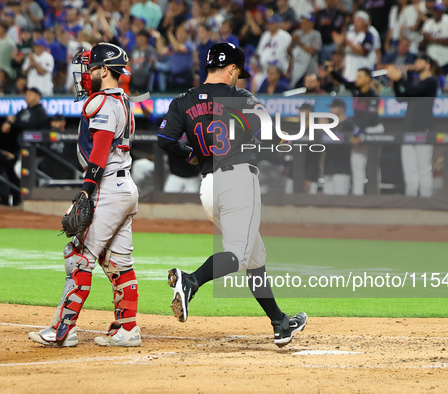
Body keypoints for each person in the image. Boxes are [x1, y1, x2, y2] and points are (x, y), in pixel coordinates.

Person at [157, 43, 307, 347]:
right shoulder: (241, 98)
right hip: (238, 180)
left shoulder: (183, 100)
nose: (239, 77)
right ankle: (191, 281)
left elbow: (165, 138)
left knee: (255, 257)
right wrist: (284, 141)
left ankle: (280, 323)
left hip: (208, 188)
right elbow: (270, 132)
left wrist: (192, 156)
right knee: (238, 255)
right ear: (232, 69)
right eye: (238, 72)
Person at [29, 43, 142, 347]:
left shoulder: (104, 103)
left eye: (91, 68)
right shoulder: (123, 100)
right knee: (118, 262)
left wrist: (85, 192)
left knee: (78, 258)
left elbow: (100, 152)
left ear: (105, 71)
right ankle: (127, 328)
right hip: (125, 187)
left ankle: (62, 330)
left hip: (107, 186)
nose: (86, 74)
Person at [327, 65, 384, 195]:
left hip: (373, 130)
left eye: (360, 76)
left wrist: (359, 135)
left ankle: (375, 195)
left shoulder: (373, 96)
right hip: (359, 130)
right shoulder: (356, 90)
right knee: (357, 163)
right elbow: (344, 82)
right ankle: (358, 196)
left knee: (373, 164)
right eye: (356, 76)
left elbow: (368, 118)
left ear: (368, 79)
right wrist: (332, 71)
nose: (357, 79)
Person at [387, 55, 439, 198]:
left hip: (423, 129)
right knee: (409, 170)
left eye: (420, 61)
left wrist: (400, 79)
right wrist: (396, 82)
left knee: (424, 169)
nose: (416, 63)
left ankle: (425, 201)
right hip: (409, 130)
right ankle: (411, 201)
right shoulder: (415, 83)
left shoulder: (431, 82)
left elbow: (416, 92)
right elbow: (401, 98)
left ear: (428, 65)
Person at [1, 87, 49, 205]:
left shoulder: (40, 112)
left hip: (36, 151)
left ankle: (34, 191)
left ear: (38, 96)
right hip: (22, 150)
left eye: (30, 94)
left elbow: (31, 125)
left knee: (20, 170)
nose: (27, 96)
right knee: (15, 169)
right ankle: (22, 197)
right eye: (26, 93)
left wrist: (14, 122)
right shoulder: (23, 111)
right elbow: (13, 120)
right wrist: (8, 122)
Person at [322, 99, 357, 195]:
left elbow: (358, 138)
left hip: (342, 169)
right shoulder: (329, 125)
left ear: (342, 108)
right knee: (327, 203)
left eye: (334, 107)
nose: (331, 110)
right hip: (328, 168)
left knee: (341, 201)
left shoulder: (349, 124)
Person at [333, 11, 376, 82]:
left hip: (362, 74)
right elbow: (340, 51)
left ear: (365, 23)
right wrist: (341, 43)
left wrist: (347, 42)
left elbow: (363, 51)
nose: (356, 22)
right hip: (347, 73)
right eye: (355, 19)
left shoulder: (369, 35)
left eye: (359, 20)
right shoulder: (350, 34)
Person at [421, 3, 448, 74]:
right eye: (434, 10)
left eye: (438, 10)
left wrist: (432, 39)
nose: (435, 12)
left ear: (442, 11)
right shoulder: (428, 24)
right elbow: (422, 44)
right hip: (433, 60)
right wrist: (425, 39)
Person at [287, 13, 322, 88]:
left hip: (310, 68)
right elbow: (289, 51)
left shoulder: (316, 35)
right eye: (302, 21)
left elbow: (313, 50)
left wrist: (299, 42)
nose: (302, 23)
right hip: (296, 67)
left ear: (311, 23)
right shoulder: (297, 33)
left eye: (305, 22)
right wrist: (292, 42)